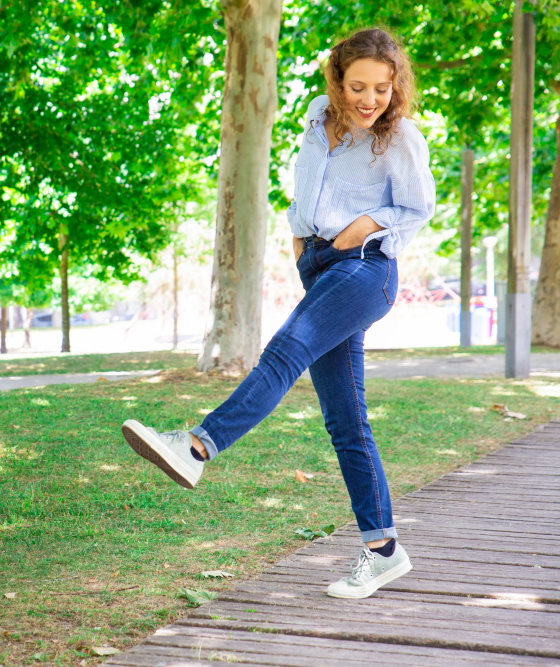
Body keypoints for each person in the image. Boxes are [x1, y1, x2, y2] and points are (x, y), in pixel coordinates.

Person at [121, 28, 435, 600]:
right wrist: (299, 242)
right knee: (345, 421)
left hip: (366, 268)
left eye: (382, 90)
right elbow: (306, 183)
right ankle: (384, 549)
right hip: (319, 263)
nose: (370, 101)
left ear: (395, 87)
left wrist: (366, 224)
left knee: (285, 352)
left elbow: (418, 207)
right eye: (357, 86)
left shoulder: (401, 138)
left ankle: (195, 446)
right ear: (337, 82)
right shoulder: (318, 116)